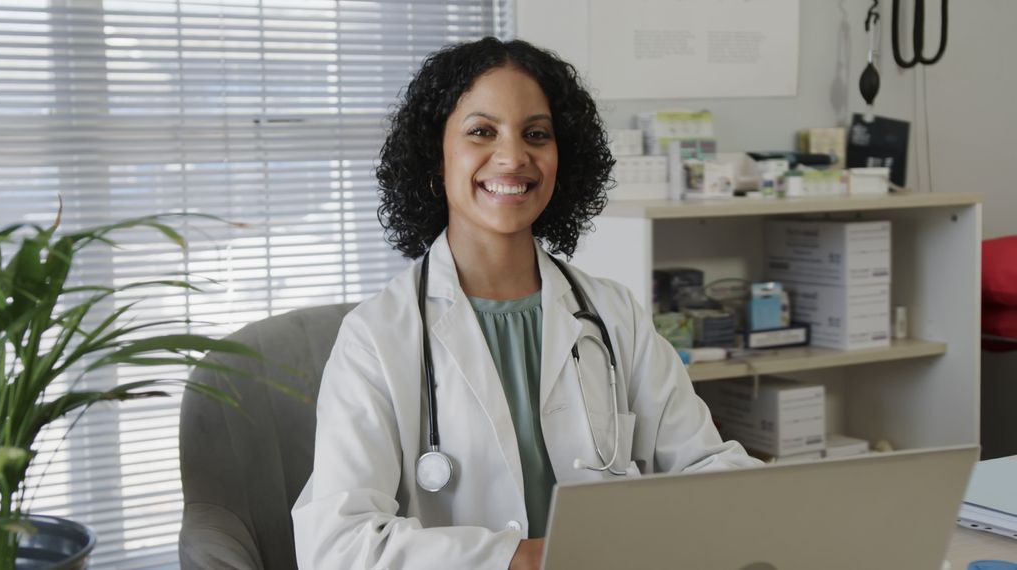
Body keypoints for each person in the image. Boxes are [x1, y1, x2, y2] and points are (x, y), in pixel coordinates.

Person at [291, 37, 759, 569]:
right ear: (434, 160)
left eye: (536, 134)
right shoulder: (376, 336)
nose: (514, 157)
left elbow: (704, 465)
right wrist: (526, 559)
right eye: (481, 132)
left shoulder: (612, 314)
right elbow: (338, 546)